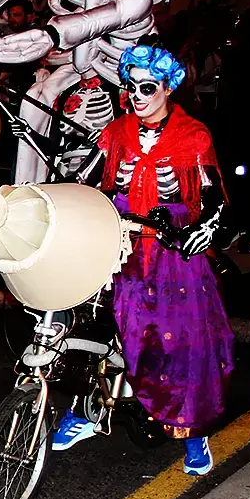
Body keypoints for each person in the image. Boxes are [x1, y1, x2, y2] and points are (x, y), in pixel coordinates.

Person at [40, 44, 233, 476]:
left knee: (179, 342)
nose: (137, 95)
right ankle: (86, 412)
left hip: (171, 253)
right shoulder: (117, 133)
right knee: (95, 326)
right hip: (117, 241)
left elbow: (214, 197)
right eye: (131, 87)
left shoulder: (193, 137)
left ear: (167, 88)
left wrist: (200, 231)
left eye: (147, 86)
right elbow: (83, 177)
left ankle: (193, 433)